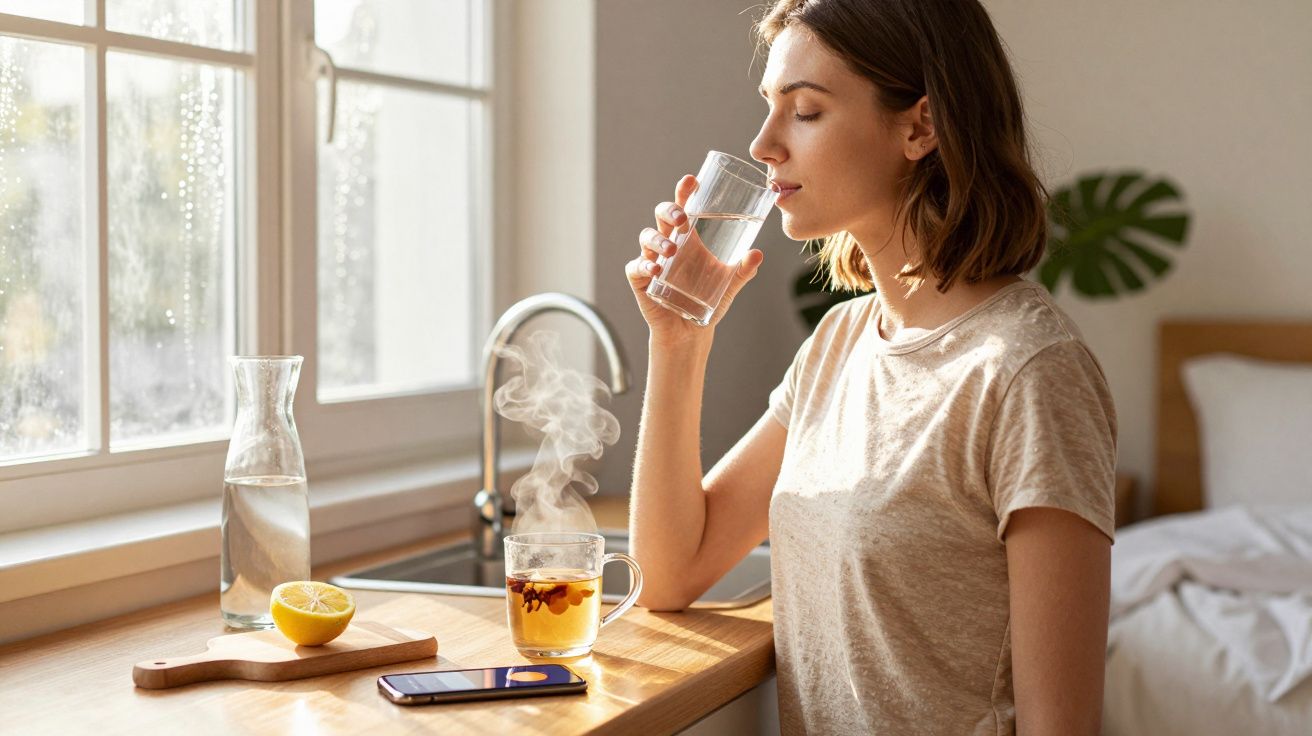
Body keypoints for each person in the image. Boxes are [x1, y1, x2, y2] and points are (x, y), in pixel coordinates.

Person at [624, 1, 1116, 734]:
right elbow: (669, 573)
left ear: (920, 127)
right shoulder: (840, 343)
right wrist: (679, 338)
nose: (764, 145)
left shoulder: (1028, 372)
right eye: (770, 109)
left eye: (806, 112)